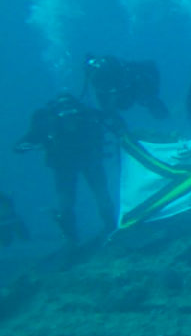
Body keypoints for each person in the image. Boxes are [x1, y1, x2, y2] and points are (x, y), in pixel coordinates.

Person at [14, 94, 115, 242]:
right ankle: (109, 227)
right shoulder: (85, 115)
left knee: (69, 201)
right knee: (98, 195)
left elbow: (21, 145)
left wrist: (27, 146)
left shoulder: (49, 122)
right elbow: (111, 121)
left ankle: (73, 238)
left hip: (69, 164)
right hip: (81, 161)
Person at [84, 54, 169, 119]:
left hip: (132, 81)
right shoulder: (104, 85)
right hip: (130, 83)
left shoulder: (129, 74)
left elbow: (150, 65)